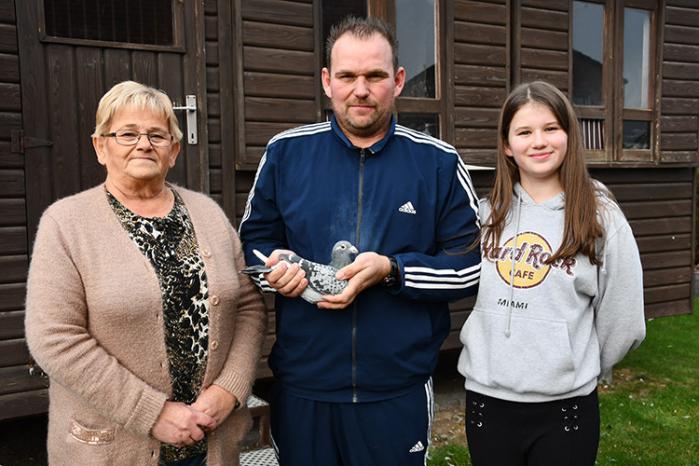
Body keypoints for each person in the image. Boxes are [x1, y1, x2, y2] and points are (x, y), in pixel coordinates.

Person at [238, 15, 481, 466]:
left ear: (399, 80)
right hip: (305, 385)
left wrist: (394, 270)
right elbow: (253, 243)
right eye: (347, 76)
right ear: (327, 82)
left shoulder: (438, 163)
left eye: (375, 76)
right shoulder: (286, 153)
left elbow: (469, 267)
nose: (361, 89)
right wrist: (282, 275)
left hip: (397, 388)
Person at [25, 81, 267, 466]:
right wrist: (152, 412)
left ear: (173, 151)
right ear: (100, 146)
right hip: (112, 448)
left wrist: (229, 389)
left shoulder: (208, 214)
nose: (143, 144)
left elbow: (250, 307)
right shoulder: (66, 224)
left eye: (157, 134)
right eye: (127, 134)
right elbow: (54, 338)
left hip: (211, 441)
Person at [457, 81, 646, 466]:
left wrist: (575, 363)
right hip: (487, 403)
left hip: (565, 410)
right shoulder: (487, 215)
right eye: (524, 132)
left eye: (550, 128)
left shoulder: (600, 218)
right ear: (507, 145)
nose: (538, 141)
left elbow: (623, 321)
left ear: (568, 135)